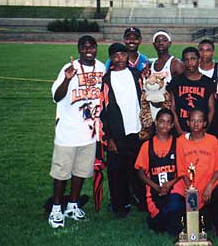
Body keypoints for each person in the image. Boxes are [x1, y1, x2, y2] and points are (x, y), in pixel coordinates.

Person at [48, 35, 105, 228]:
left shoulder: (100, 68)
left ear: (96, 48)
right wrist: (67, 79)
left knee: (81, 172)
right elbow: (56, 97)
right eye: (84, 47)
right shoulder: (68, 68)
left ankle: (72, 205)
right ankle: (56, 209)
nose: (89, 50)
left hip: (89, 133)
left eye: (92, 46)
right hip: (68, 132)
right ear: (79, 49)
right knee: (61, 174)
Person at [100, 43, 145, 217]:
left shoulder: (137, 75)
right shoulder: (106, 80)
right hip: (117, 133)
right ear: (110, 59)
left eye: (122, 55)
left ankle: (141, 200)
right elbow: (104, 110)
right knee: (116, 170)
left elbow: (145, 101)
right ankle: (120, 204)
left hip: (137, 131)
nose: (120, 59)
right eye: (115, 55)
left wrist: (147, 127)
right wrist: (109, 137)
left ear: (127, 56)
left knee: (137, 168)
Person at [176, 109, 218, 237]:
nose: (196, 124)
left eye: (199, 121)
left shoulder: (213, 140)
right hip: (193, 187)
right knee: (190, 227)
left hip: (211, 185)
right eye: (193, 121)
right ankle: (205, 218)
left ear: (204, 123)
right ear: (188, 123)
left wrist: (210, 186)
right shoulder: (180, 142)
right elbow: (181, 170)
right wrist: (190, 189)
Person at [134, 108, 184, 236]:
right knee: (158, 224)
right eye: (161, 121)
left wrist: (171, 183)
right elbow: (140, 172)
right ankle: (163, 219)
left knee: (174, 208)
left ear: (172, 125)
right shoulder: (147, 145)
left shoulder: (178, 144)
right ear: (155, 122)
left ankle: (176, 222)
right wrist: (156, 186)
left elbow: (183, 169)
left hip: (174, 189)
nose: (164, 125)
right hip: (155, 190)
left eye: (168, 122)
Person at [168, 47, 216, 135]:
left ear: (199, 60)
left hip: (201, 131)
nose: (190, 63)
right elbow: (172, 107)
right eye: (186, 60)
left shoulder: (207, 82)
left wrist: (204, 129)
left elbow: (211, 109)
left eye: (193, 59)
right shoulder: (176, 81)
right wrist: (179, 130)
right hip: (180, 129)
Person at [149, 30, 184, 119]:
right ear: (153, 44)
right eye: (158, 41)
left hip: (170, 112)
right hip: (154, 110)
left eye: (164, 40)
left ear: (169, 43)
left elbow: (183, 88)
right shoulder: (152, 65)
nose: (161, 43)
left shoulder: (176, 63)